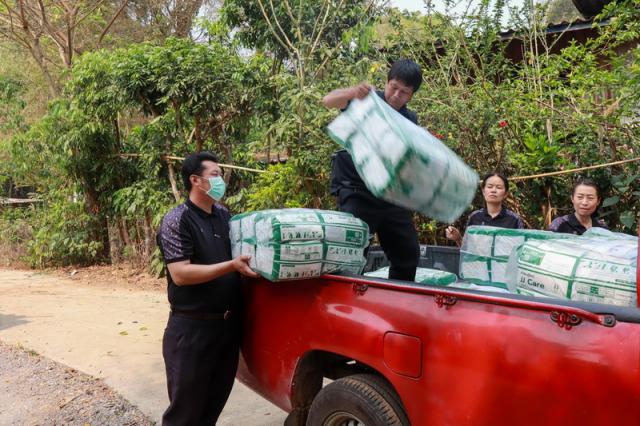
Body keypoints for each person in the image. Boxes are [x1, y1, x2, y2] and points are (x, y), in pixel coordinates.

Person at [156, 151, 258, 425]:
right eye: (215, 174)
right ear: (195, 180)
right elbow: (181, 274)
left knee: (211, 409)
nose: (220, 180)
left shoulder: (224, 215)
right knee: (185, 415)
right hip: (191, 331)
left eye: (220, 174)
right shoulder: (177, 220)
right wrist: (231, 266)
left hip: (226, 329)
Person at [323, 59, 422, 281]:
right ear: (387, 82)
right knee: (352, 251)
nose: (396, 95)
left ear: (411, 95)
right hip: (357, 190)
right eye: (393, 87)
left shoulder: (410, 120)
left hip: (391, 194)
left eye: (404, 92)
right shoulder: (365, 101)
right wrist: (352, 92)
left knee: (408, 253)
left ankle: (398, 295)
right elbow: (328, 100)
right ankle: (346, 295)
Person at [446, 173, 524, 246]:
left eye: (498, 187)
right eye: (489, 187)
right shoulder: (474, 217)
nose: (493, 190)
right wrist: (458, 238)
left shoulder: (514, 219)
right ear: (483, 191)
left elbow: (521, 250)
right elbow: (468, 249)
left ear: (505, 194)